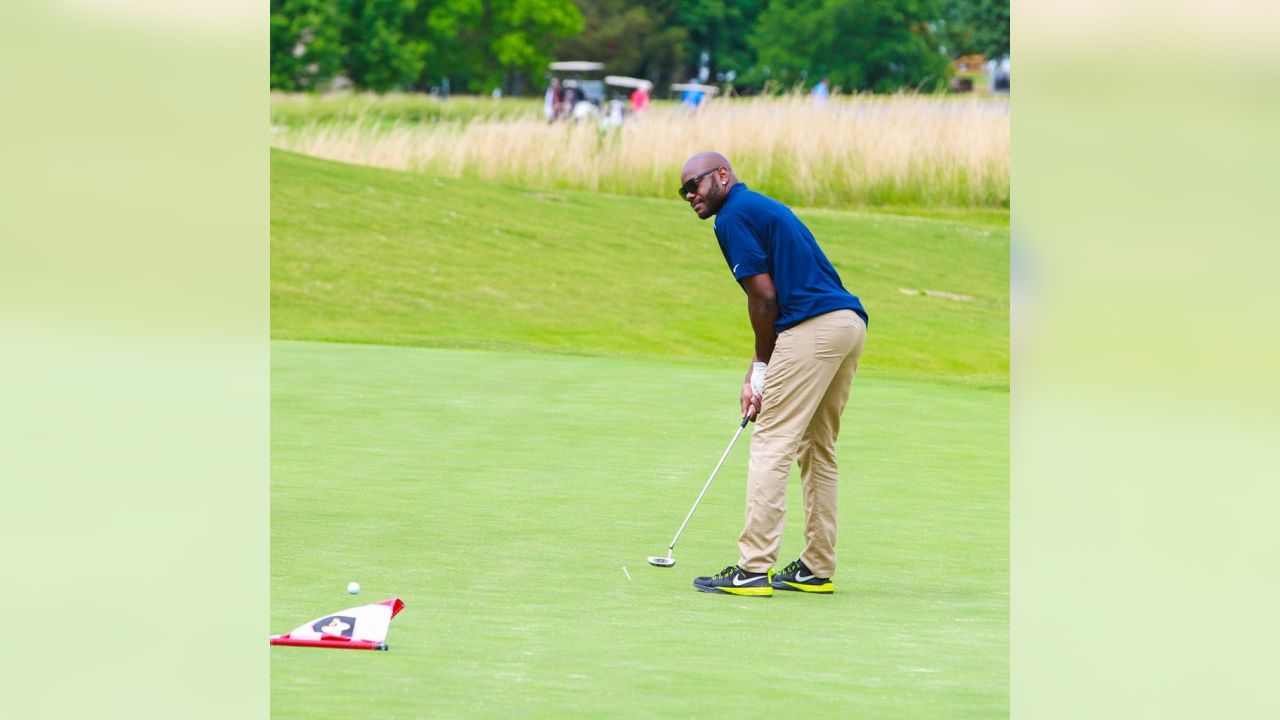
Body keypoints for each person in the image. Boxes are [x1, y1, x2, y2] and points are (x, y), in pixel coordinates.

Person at [678, 151, 868, 597]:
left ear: (722, 176)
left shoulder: (732, 217)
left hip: (813, 330)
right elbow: (774, 303)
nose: (689, 196)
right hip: (847, 325)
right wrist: (757, 368)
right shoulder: (759, 207)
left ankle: (752, 569)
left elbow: (764, 299)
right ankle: (816, 568)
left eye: (695, 185)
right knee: (817, 447)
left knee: (772, 443)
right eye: (683, 191)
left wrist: (763, 368)